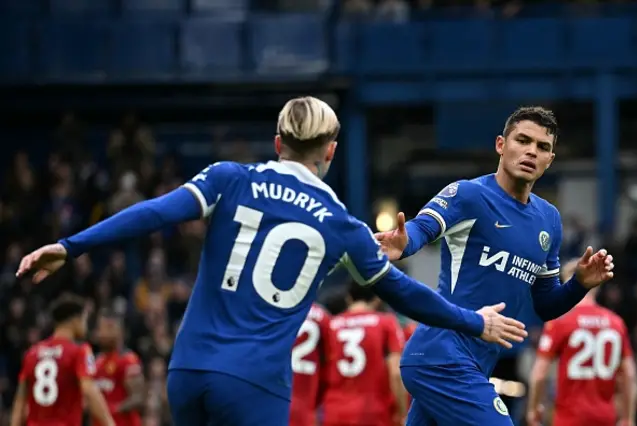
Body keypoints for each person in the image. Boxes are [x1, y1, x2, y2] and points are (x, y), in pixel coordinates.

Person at [16, 97, 527, 426]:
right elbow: (403, 292)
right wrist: (472, 321)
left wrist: (71, 245)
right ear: (330, 151)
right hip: (254, 386)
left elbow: (153, 213)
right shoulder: (341, 225)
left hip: (187, 373)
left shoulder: (227, 178)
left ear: (278, 143)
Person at [374, 106, 615, 426]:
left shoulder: (549, 220)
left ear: (550, 160)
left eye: (543, 147)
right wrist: (405, 243)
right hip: (442, 355)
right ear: (501, 144)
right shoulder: (469, 194)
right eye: (523, 140)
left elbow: (545, 305)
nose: (531, 151)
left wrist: (579, 284)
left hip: (476, 363)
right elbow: (423, 227)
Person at [527, 259, 637, 426]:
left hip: (569, 418)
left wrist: (533, 409)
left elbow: (539, 374)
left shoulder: (560, 322)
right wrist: (628, 418)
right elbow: (629, 375)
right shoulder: (616, 323)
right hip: (605, 417)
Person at [10, 294, 115, 426]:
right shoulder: (79, 351)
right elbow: (89, 390)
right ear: (74, 321)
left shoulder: (32, 353)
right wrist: (110, 423)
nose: (85, 326)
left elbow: (20, 400)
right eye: (84, 319)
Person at [322, 282, 407, 426]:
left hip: (334, 412)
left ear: (348, 298)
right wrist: (403, 412)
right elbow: (396, 373)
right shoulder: (386, 323)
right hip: (373, 412)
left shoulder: (331, 325)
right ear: (377, 299)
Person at [93, 310, 145, 426]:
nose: (102, 333)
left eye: (108, 328)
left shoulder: (128, 360)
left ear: (119, 332)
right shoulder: (96, 362)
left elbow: (138, 398)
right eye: (100, 329)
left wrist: (111, 410)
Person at [289, 303, 331, 426]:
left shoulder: (271, 307)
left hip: (271, 396)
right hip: (305, 402)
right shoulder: (323, 317)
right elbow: (329, 364)